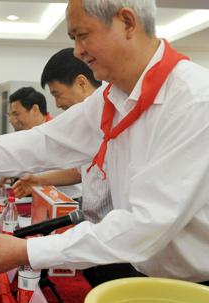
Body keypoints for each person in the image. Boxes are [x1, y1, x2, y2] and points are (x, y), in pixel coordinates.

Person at [0, 0, 209, 290]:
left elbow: (147, 224)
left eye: (82, 35)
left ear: (127, 22)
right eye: (73, 39)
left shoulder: (196, 100)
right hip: (148, 274)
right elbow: (41, 143)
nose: (78, 52)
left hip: (207, 286)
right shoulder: (112, 98)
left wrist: (28, 252)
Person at [13, 48, 138, 287]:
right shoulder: (88, 125)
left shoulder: (118, 124)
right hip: (92, 235)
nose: (58, 104)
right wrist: (38, 180)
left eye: (58, 94)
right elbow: (78, 172)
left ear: (82, 83)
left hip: (115, 243)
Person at [8, 86, 82, 201]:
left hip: (68, 201)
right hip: (44, 199)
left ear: (35, 110)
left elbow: (76, 171)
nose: (11, 120)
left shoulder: (59, 133)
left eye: (16, 114)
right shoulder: (31, 134)